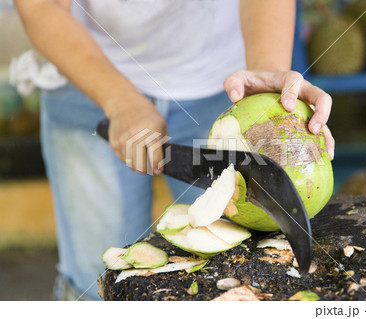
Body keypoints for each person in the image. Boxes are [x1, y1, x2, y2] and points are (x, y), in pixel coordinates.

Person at [14, 0, 334, 300]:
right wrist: (119, 99)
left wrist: (265, 80)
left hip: (226, 86)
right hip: (85, 74)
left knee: (232, 279)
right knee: (91, 282)